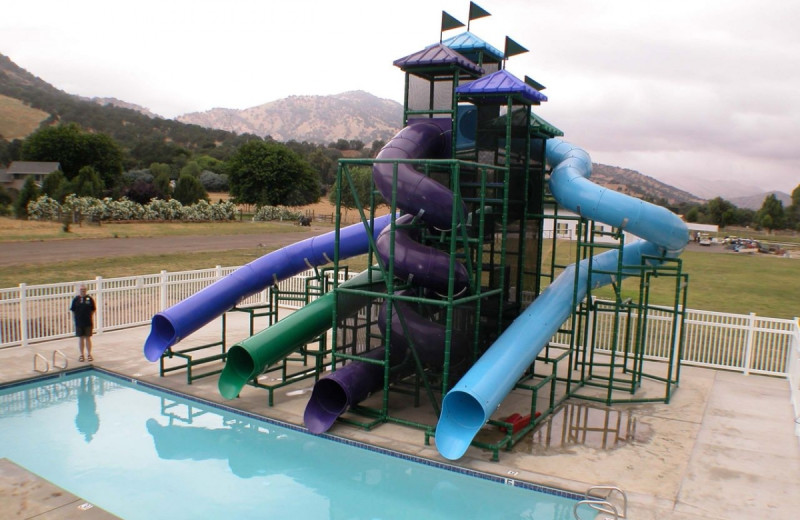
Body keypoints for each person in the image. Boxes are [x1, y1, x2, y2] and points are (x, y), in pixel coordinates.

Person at [70, 284, 96, 362]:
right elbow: (73, 310)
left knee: (88, 338)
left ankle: (89, 354)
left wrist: (89, 316)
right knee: (81, 338)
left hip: (88, 322)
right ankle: (81, 355)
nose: (83, 291)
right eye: (81, 290)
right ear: (79, 291)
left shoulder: (89, 299)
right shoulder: (76, 299)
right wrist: (75, 319)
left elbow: (93, 309)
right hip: (79, 322)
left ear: (86, 291)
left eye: (84, 290)